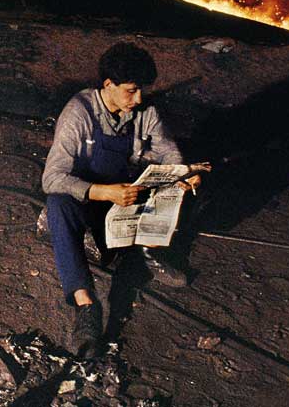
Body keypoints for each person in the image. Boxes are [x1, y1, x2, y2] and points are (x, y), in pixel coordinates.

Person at [42, 42, 202, 358]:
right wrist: (104, 192)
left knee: (187, 184)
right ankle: (86, 306)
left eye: (140, 90)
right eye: (130, 91)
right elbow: (51, 178)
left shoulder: (145, 112)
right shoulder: (79, 112)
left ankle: (151, 251)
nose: (138, 98)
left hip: (127, 200)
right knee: (58, 204)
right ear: (108, 86)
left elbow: (169, 153)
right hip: (91, 200)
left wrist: (183, 174)